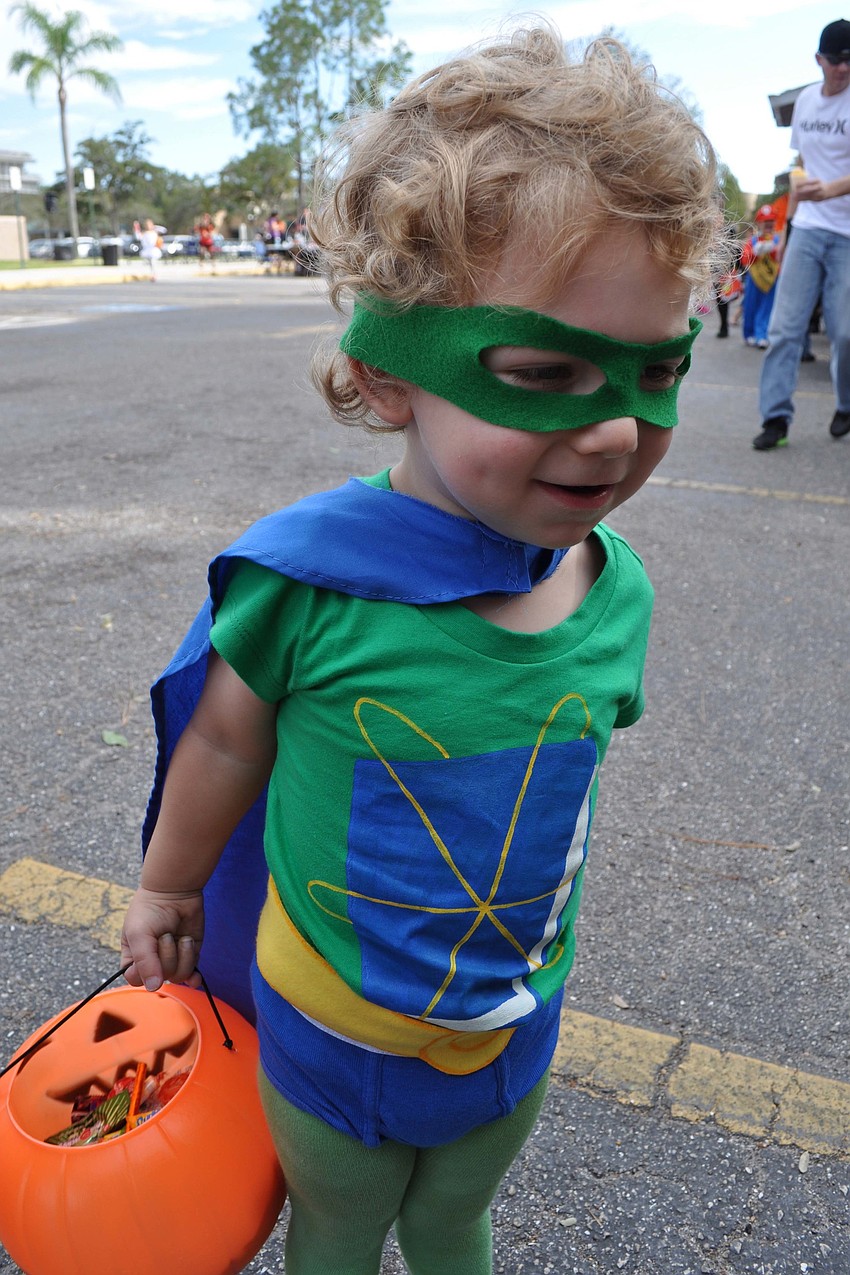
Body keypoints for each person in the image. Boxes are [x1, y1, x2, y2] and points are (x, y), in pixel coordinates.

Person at [119, 25, 721, 1275]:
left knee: (452, 1220)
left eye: (655, 371)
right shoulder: (311, 589)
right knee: (337, 1228)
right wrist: (169, 887)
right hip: (331, 1030)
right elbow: (227, 735)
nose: (614, 429)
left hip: (510, 1020)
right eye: (544, 371)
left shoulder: (614, 593)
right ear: (391, 378)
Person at [753, 17, 850, 449]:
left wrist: (833, 188)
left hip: (846, 233)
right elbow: (798, 162)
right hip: (808, 228)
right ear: (819, 60)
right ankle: (775, 419)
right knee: (784, 328)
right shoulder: (808, 101)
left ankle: (846, 404)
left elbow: (831, 178)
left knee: (845, 332)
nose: (844, 69)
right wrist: (796, 185)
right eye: (836, 60)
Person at [740, 204, 782, 348]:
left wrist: (774, 251)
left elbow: (783, 258)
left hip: (772, 280)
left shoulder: (778, 241)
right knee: (750, 306)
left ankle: (762, 335)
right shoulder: (752, 241)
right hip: (754, 280)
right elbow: (744, 259)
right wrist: (755, 252)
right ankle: (749, 334)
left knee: (767, 308)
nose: (769, 223)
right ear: (759, 223)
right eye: (765, 220)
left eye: (771, 220)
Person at [134, 217, 162, 281]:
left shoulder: (155, 232)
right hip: (147, 250)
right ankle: (150, 274)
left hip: (153, 250)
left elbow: (163, 230)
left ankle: (154, 275)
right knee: (148, 263)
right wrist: (136, 227)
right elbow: (138, 237)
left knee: (153, 262)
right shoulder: (144, 233)